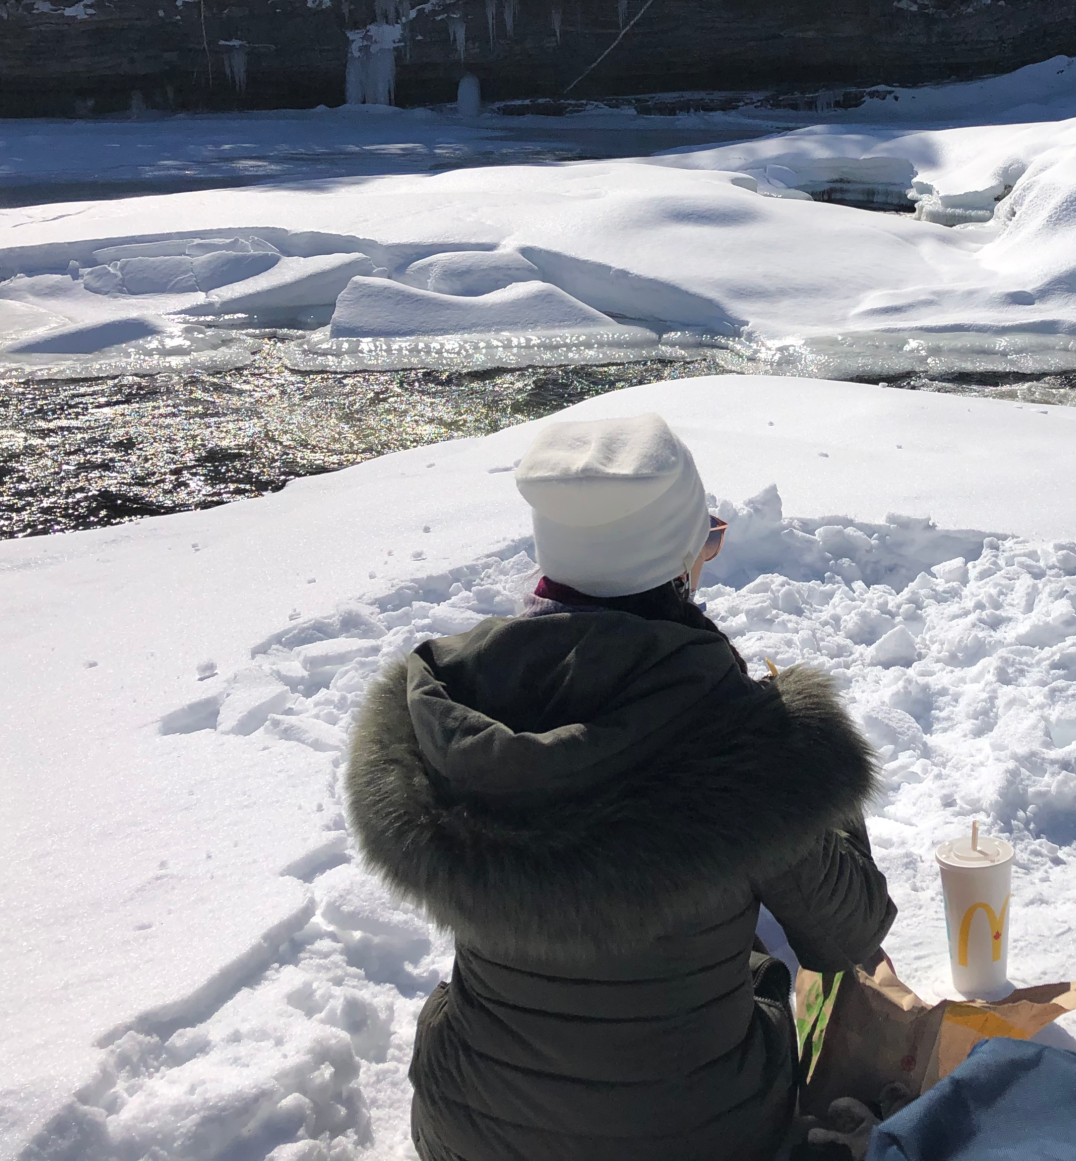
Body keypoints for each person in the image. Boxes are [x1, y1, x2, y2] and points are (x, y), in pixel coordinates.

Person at [346, 412, 895, 1161]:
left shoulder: (447, 707)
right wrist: (810, 777)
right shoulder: (743, 735)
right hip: (699, 1138)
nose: (709, 551)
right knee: (769, 957)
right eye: (707, 536)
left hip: (468, 1131)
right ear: (680, 561)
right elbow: (849, 936)